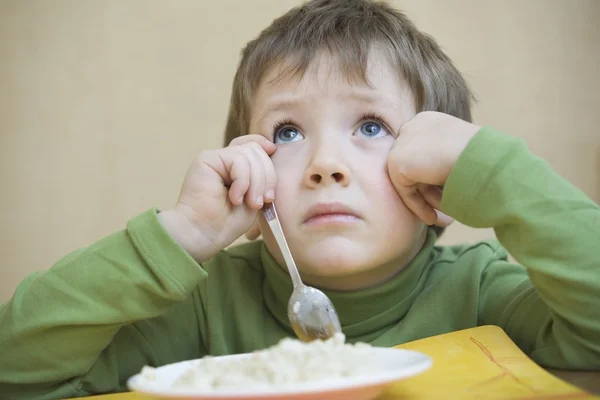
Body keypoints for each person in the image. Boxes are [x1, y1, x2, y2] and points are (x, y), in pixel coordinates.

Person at [1, 0, 599, 398]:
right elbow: (16, 371)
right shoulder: (209, 306)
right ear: (249, 175)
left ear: (439, 184)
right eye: (287, 133)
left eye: (369, 126)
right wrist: (179, 234)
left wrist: (490, 172)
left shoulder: (479, 289)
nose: (324, 165)